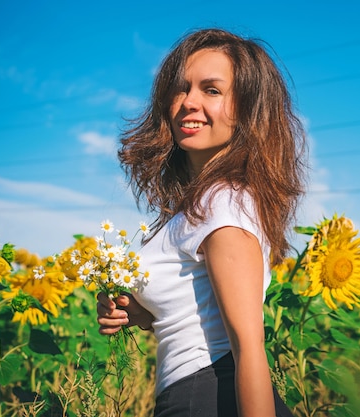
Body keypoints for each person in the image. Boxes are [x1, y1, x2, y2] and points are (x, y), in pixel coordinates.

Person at [96, 28, 306, 417]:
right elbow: (194, 313)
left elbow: (248, 347)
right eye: (181, 88)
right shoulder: (198, 205)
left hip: (210, 397)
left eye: (211, 90)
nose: (188, 102)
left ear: (246, 109)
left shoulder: (222, 202)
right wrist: (135, 309)